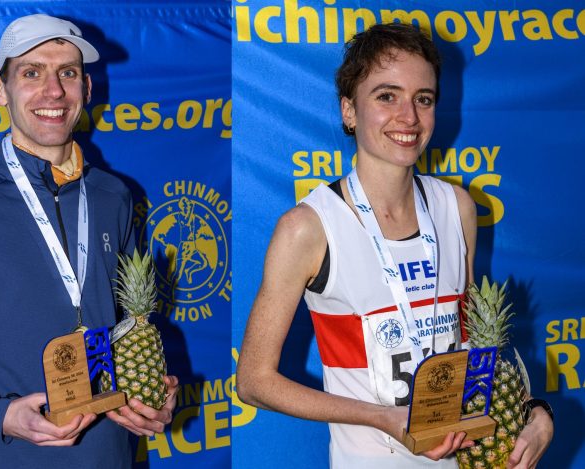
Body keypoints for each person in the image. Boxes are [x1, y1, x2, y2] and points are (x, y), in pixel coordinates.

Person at [236, 23, 553, 468]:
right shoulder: (309, 228)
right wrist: (383, 417)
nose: (408, 117)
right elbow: (253, 382)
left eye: (423, 99)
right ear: (349, 110)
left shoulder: (457, 207)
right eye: (386, 96)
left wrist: (535, 411)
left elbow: (476, 345)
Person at [0, 14, 178, 468]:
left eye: (67, 73)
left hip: (110, 456)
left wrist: (152, 391)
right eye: (32, 73)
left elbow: (134, 320)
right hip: (9, 456)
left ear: (86, 88)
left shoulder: (113, 195)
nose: (53, 91)